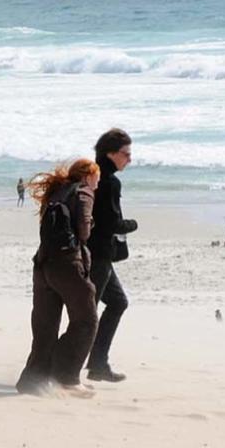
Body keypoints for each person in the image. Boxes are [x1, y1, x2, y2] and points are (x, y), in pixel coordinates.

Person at [16, 158, 101, 397]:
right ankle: (66, 376)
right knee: (86, 320)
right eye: (97, 178)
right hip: (69, 265)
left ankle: (33, 380)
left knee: (45, 326)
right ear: (87, 176)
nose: (98, 184)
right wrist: (90, 223)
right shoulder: (83, 192)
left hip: (42, 264)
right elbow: (83, 231)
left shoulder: (56, 193)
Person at [87, 128, 138, 383]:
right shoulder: (108, 182)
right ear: (111, 153)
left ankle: (97, 364)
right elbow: (111, 223)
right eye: (126, 154)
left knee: (114, 303)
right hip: (98, 255)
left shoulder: (91, 175)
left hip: (92, 253)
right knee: (88, 312)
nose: (129, 159)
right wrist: (132, 224)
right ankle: (72, 366)